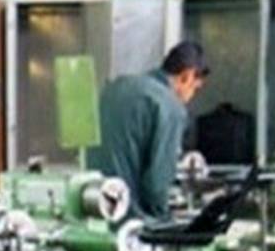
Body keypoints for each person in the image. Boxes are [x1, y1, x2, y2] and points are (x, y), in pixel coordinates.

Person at [89, 41, 208, 220]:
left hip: (92, 205)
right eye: (195, 89)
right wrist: (164, 219)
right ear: (187, 76)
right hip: (129, 216)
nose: (191, 97)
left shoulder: (115, 87)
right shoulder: (169, 106)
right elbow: (157, 184)